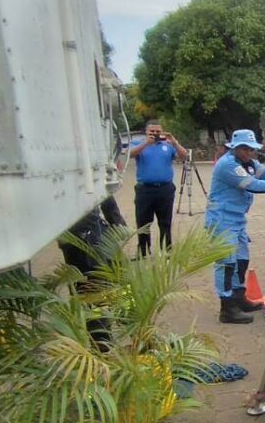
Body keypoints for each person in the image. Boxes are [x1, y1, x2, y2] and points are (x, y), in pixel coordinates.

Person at [205, 129, 265, 324]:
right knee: (226, 263)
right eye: (245, 149)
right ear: (235, 147)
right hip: (222, 219)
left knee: (241, 259)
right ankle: (227, 306)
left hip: (237, 219)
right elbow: (253, 185)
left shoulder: (247, 163)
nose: (249, 153)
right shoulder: (228, 165)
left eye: (251, 149)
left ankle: (239, 297)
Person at [58, 196, 127, 352]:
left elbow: (105, 196)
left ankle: (135, 329)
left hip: (94, 236)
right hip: (81, 243)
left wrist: (119, 226)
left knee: (121, 287)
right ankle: (102, 344)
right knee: (91, 295)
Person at [129, 120, 188, 257]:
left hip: (165, 189)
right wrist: (146, 144)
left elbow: (184, 156)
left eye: (158, 131)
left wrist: (175, 142)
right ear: (146, 132)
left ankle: (166, 250)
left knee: (165, 221)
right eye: (152, 131)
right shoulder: (139, 144)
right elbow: (130, 155)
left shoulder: (167, 145)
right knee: (143, 222)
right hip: (145, 189)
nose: (155, 134)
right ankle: (143, 251)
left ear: (161, 132)